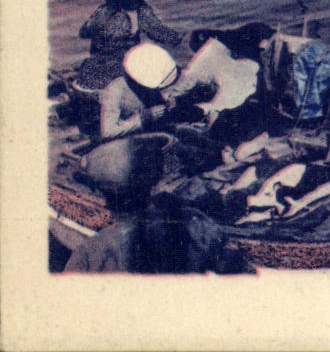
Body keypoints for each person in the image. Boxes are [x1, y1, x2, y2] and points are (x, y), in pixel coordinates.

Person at [63, 133, 252, 274]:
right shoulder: (197, 225)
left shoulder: (92, 251)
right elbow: (242, 274)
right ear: (153, 183)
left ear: (104, 196)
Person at [74, 0, 184, 92]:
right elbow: (156, 31)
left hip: (109, 62)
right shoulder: (136, 10)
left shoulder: (108, 9)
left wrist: (175, 38)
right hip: (120, 64)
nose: (131, 0)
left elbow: (84, 32)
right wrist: (176, 38)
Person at [97, 42, 181, 143]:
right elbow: (108, 132)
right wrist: (141, 119)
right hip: (129, 144)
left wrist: (170, 105)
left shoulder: (155, 80)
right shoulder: (115, 91)